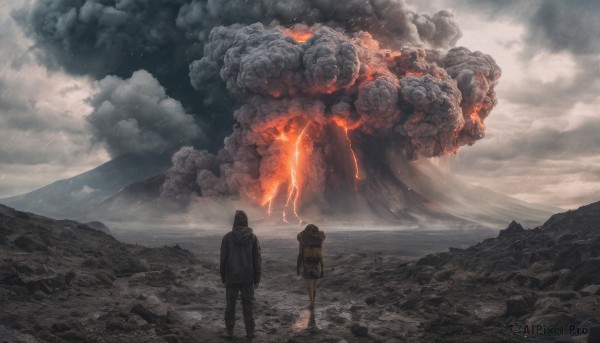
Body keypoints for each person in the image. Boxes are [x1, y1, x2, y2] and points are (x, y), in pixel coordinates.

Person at [220, 210, 262, 339]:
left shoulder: (227, 237)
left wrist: (223, 277)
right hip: (247, 277)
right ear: (246, 221)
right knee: (248, 305)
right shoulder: (253, 238)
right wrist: (257, 279)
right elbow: (257, 260)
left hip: (231, 276)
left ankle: (229, 332)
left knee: (230, 304)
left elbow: (223, 259)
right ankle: (250, 333)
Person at [297, 224, 326, 310]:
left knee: (309, 284)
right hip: (317, 262)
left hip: (307, 263)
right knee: (314, 284)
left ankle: (312, 302)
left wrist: (298, 267)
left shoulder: (303, 237)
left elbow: (300, 252)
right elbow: (323, 235)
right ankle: (313, 302)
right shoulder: (320, 237)